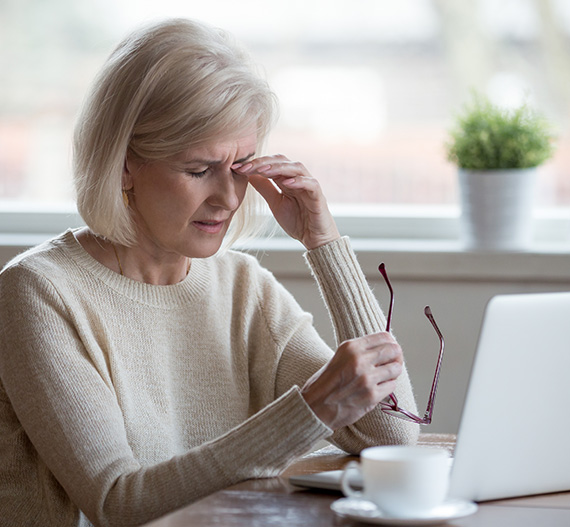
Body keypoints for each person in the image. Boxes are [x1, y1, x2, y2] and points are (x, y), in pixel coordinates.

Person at [0, 18, 419, 527]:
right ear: (124, 164)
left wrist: (323, 242)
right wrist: (312, 410)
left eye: (241, 167)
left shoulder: (243, 288)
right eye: (199, 170)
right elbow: (118, 503)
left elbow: (390, 434)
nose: (228, 198)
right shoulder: (37, 292)